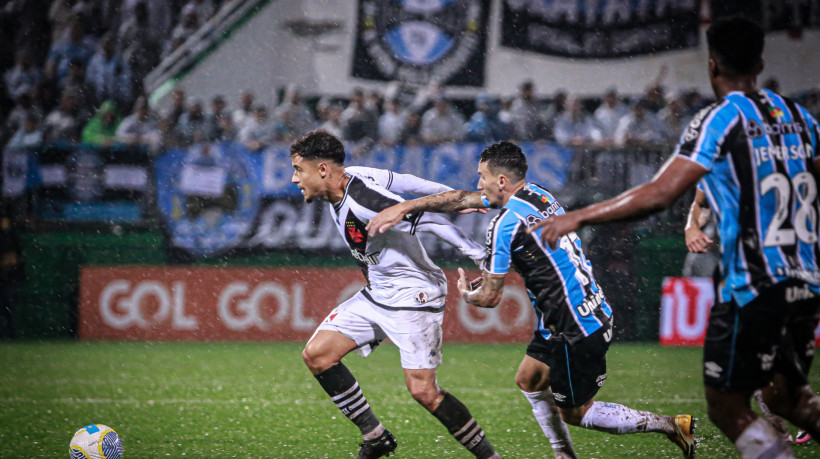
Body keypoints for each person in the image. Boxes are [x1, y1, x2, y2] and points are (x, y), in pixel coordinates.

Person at [528, 17, 820, 457]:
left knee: (727, 404)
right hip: (807, 278)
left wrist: (580, 216)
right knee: (787, 396)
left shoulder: (720, 119)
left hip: (755, 282)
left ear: (712, 66)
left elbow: (660, 193)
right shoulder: (800, 118)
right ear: (761, 61)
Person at [366, 141, 696, 458]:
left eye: (482, 176)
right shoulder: (539, 195)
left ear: (502, 180)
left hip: (574, 325)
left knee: (576, 413)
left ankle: (670, 425)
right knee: (529, 378)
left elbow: (491, 298)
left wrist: (469, 294)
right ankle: (563, 454)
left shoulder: (503, 225)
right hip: (579, 310)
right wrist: (407, 205)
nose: (478, 183)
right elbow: (465, 202)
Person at [290, 130, 502, 459]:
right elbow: (405, 181)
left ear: (321, 170)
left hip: (413, 294)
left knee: (423, 392)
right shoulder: (354, 175)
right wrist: (449, 195)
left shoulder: (364, 201)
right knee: (318, 355)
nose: (293, 178)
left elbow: (427, 217)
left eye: (298, 169)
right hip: (378, 292)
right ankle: (376, 437)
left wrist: (476, 253)